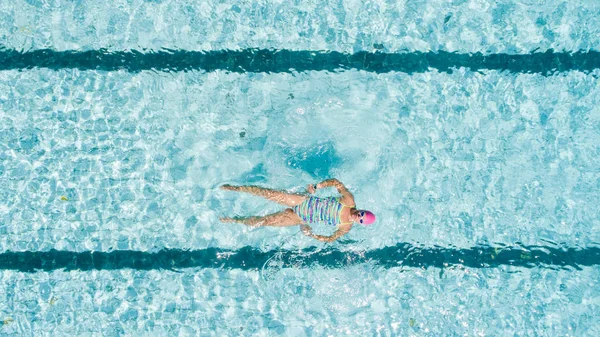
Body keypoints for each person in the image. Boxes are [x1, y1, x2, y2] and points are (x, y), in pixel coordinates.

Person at [219, 178, 376, 242]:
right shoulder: (349, 201)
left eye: (361, 220)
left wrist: (311, 234)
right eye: (362, 214)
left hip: (299, 218)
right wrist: (317, 186)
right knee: (270, 194)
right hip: (303, 201)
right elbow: (337, 183)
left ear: (360, 223)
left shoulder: (346, 226)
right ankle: (236, 188)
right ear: (362, 209)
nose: (358, 216)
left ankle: (234, 220)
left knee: (264, 222)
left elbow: (330, 239)